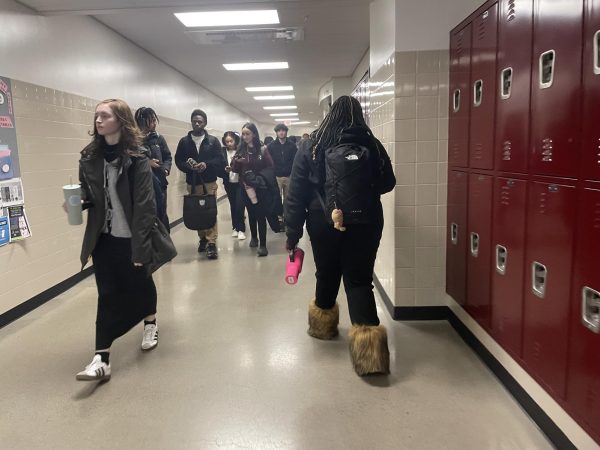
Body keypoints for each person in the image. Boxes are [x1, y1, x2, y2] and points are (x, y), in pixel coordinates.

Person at [285, 95, 396, 376]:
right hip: (367, 221)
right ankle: (370, 357)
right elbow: (388, 183)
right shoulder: (371, 143)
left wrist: (292, 232)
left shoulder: (310, 145)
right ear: (359, 115)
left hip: (323, 221)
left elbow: (296, 194)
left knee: (327, 272)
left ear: (329, 115)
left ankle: (323, 327)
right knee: (359, 280)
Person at [76, 98, 161, 381]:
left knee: (141, 281)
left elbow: (146, 205)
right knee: (107, 293)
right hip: (103, 236)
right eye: (96, 116)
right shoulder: (90, 157)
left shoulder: (137, 158)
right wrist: (79, 202)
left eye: (104, 116)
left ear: (120, 121)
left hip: (131, 235)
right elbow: (90, 195)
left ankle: (150, 322)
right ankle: (102, 357)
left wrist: (141, 247)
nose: (98, 120)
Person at [174, 109, 224, 259]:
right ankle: (202, 238)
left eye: (200, 121)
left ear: (205, 123)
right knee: (197, 211)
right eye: (194, 121)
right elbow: (179, 160)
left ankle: (211, 243)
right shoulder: (184, 141)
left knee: (209, 210)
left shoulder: (213, 141)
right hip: (193, 182)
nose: (197, 123)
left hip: (209, 182)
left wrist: (206, 164)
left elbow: (219, 160)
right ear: (191, 122)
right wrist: (187, 166)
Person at [231, 123, 277, 257]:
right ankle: (254, 238)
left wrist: (259, 177)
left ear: (254, 134)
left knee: (260, 214)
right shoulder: (240, 150)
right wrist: (237, 163)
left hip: (259, 187)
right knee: (251, 213)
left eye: (247, 134)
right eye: (243, 134)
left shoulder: (262, 150)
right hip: (245, 187)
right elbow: (234, 170)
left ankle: (263, 244)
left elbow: (270, 166)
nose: (245, 137)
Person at [134, 107, 172, 231]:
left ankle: (164, 245)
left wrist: (166, 169)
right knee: (148, 218)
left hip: (160, 183)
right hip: (143, 186)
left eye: (155, 120)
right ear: (142, 122)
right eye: (152, 121)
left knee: (161, 215)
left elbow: (167, 156)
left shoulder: (158, 138)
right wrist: (146, 163)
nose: (155, 123)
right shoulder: (133, 140)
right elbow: (129, 162)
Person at [268, 123, 297, 227]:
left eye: (283, 130)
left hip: (289, 176)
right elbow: (269, 161)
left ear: (286, 132)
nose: (281, 132)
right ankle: (279, 217)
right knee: (276, 198)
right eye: (279, 130)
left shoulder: (292, 145)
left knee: (288, 198)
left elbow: (295, 161)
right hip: (276, 176)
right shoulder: (271, 146)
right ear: (276, 132)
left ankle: (287, 217)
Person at [221, 131, 246, 240]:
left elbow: (245, 166)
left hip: (240, 182)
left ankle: (241, 229)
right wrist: (224, 170)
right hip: (229, 182)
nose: (229, 143)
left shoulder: (241, 151)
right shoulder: (222, 152)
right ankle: (235, 227)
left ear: (235, 141)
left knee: (240, 205)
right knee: (233, 205)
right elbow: (219, 165)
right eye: (227, 142)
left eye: (231, 141)